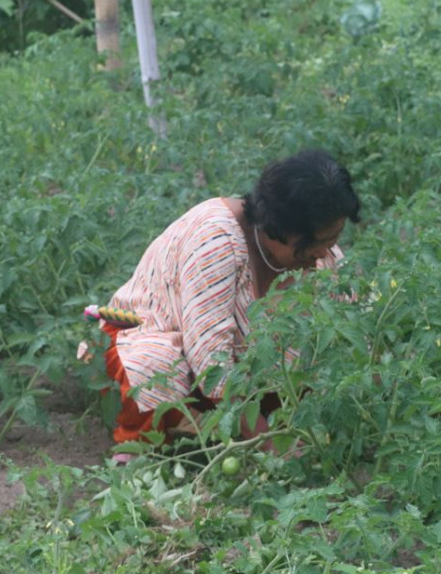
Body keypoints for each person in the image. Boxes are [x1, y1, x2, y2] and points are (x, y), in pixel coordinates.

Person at [87, 150, 361, 453]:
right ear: (281, 229)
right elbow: (211, 362)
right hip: (148, 332)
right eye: (319, 243)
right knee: (156, 365)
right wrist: (272, 449)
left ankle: (227, 429)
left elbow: (351, 332)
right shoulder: (215, 240)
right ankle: (136, 451)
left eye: (332, 242)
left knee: (315, 354)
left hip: (232, 368)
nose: (325, 253)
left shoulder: (316, 257)